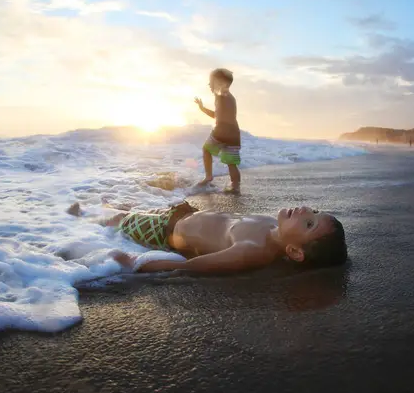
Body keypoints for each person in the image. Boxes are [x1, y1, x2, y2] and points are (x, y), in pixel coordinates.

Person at [66, 201, 348, 274]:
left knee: (121, 221)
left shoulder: (251, 251)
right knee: (132, 211)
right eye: (314, 211)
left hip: (165, 232)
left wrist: (135, 262)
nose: (303, 210)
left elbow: (188, 267)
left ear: (295, 252)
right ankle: (112, 207)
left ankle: (83, 217)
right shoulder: (270, 224)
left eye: (309, 222)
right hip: (183, 213)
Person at [194, 68, 241, 194]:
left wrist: (222, 82)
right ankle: (235, 186)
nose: (209, 85)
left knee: (206, 149)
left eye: (211, 82)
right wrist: (202, 108)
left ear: (220, 83)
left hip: (221, 130)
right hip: (234, 133)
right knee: (231, 162)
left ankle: (208, 176)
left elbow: (222, 87)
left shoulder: (222, 93)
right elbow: (216, 115)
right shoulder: (229, 98)